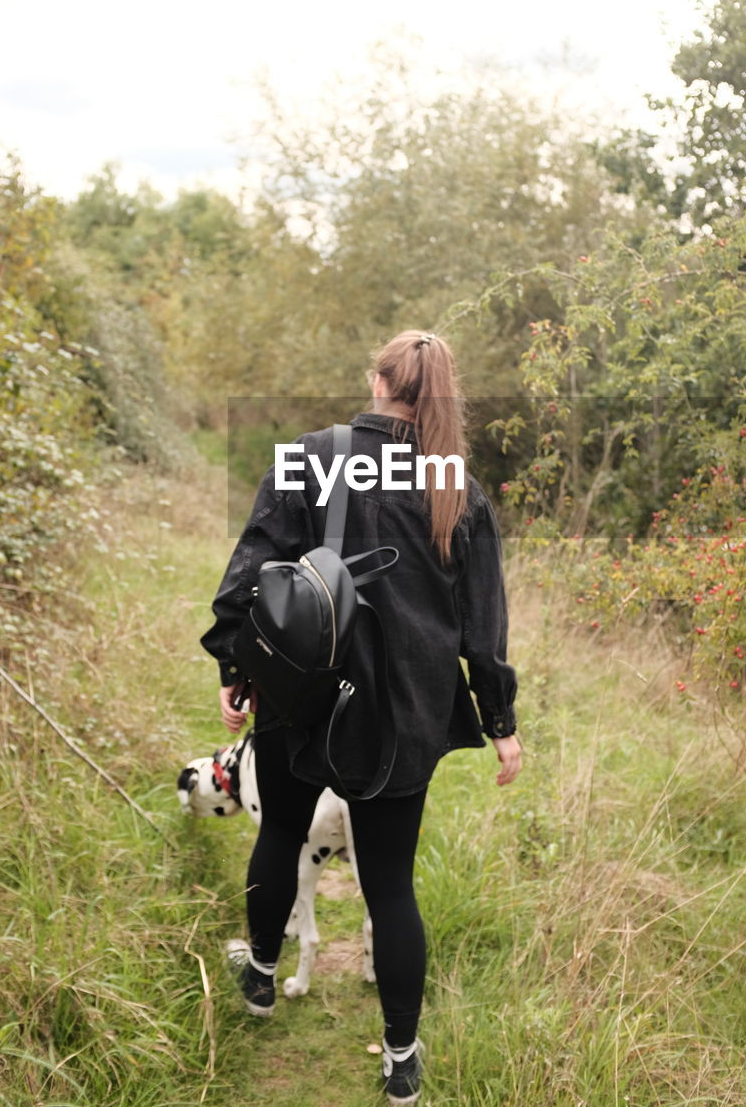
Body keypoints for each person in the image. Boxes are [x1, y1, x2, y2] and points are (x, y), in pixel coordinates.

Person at [200, 330, 522, 1106]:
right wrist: (499, 719)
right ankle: (401, 1060)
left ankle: (262, 980)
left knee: (280, 832)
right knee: (390, 883)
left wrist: (236, 667)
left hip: (301, 694)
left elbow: (250, 572)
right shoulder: (454, 484)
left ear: (377, 381)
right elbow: (482, 622)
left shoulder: (305, 455)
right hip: (405, 709)